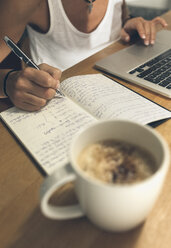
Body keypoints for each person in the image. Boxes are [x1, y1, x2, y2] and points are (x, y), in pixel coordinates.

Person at [0, 0, 168, 111]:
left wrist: (128, 25)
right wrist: (8, 81)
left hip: (121, 90)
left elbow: (119, 17)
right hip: (58, 103)